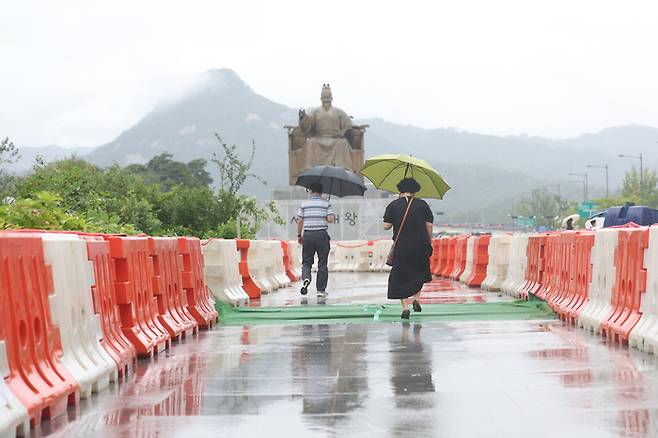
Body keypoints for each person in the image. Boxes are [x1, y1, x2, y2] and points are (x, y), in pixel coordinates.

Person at [383, 178, 434, 319]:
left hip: (402, 246)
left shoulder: (393, 205)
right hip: (421, 245)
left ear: (400, 189)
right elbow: (429, 225)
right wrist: (429, 241)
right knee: (421, 272)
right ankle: (416, 298)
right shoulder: (423, 205)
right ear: (415, 190)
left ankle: (405, 308)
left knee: (400, 276)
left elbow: (386, 226)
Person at [297, 182, 336, 296]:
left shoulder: (304, 204)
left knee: (307, 262)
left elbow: (300, 221)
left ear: (310, 191)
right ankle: (320, 290)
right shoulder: (326, 204)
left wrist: (299, 235)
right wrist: (326, 213)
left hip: (308, 235)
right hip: (321, 235)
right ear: (321, 192)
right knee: (322, 263)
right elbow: (330, 219)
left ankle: (306, 279)